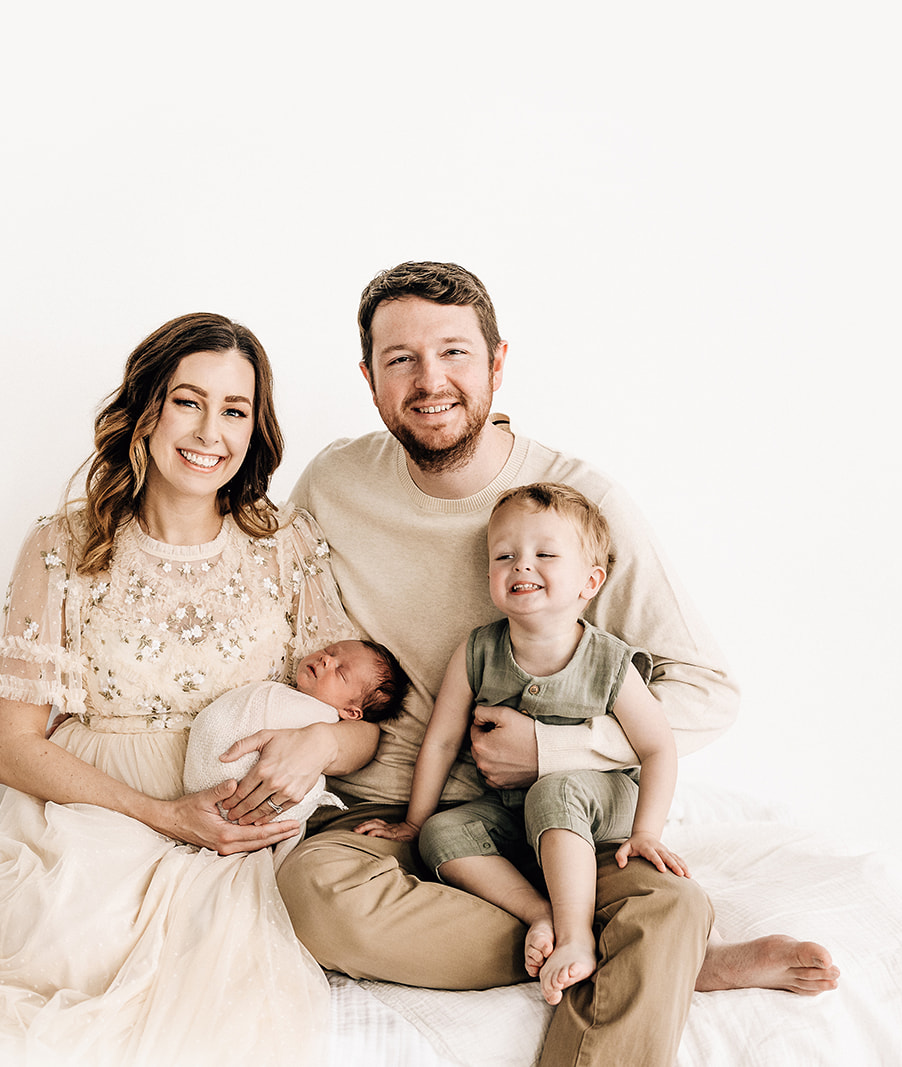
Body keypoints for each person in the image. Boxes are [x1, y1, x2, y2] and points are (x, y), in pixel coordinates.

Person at [0, 312, 376, 1067]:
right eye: (188, 400)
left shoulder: (286, 544)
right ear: (145, 410)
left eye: (235, 409)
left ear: (256, 428)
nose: (210, 429)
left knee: (223, 983)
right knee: (65, 939)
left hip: (229, 812)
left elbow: (360, 715)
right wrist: (161, 813)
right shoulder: (65, 545)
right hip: (103, 805)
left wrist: (319, 739)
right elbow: (9, 746)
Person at [278, 262, 840, 1067]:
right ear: (369, 379)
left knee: (671, 905)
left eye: (454, 353)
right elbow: (282, 634)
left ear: (497, 362)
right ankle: (648, 958)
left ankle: (644, 940)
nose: (430, 380)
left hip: (565, 821)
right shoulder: (334, 484)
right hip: (405, 820)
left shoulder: (577, 504)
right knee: (312, 897)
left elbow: (707, 692)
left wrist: (555, 752)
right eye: (400, 358)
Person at [356, 482, 688, 1007]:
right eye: (504, 555)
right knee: (443, 834)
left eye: (545, 554)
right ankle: (540, 913)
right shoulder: (478, 649)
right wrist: (415, 821)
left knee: (553, 792)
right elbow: (440, 742)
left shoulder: (608, 661)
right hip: (513, 812)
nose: (521, 566)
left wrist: (647, 832)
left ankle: (577, 936)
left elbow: (659, 748)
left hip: (597, 807)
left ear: (590, 581)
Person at [184, 639, 408, 866]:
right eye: (329, 651)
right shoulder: (283, 694)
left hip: (244, 808)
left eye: (341, 672)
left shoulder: (324, 719)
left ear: (351, 712)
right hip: (202, 790)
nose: (326, 659)